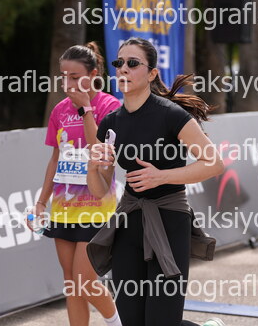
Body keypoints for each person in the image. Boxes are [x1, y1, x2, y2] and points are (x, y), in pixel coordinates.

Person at [86, 37, 225, 326]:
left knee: (162, 321)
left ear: (152, 74)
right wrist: (93, 166)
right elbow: (100, 191)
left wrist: (160, 176)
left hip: (169, 223)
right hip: (128, 225)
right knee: (132, 321)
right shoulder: (110, 123)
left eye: (132, 63)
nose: (123, 68)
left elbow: (214, 163)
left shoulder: (171, 115)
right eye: (119, 63)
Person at [31, 42, 122, 326]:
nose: (68, 83)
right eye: (64, 76)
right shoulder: (59, 110)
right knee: (71, 282)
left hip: (97, 206)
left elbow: (99, 151)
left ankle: (117, 323)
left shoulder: (110, 106)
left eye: (75, 77)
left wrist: (86, 109)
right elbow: (55, 159)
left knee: (85, 280)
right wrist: (41, 202)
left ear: (93, 74)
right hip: (64, 207)